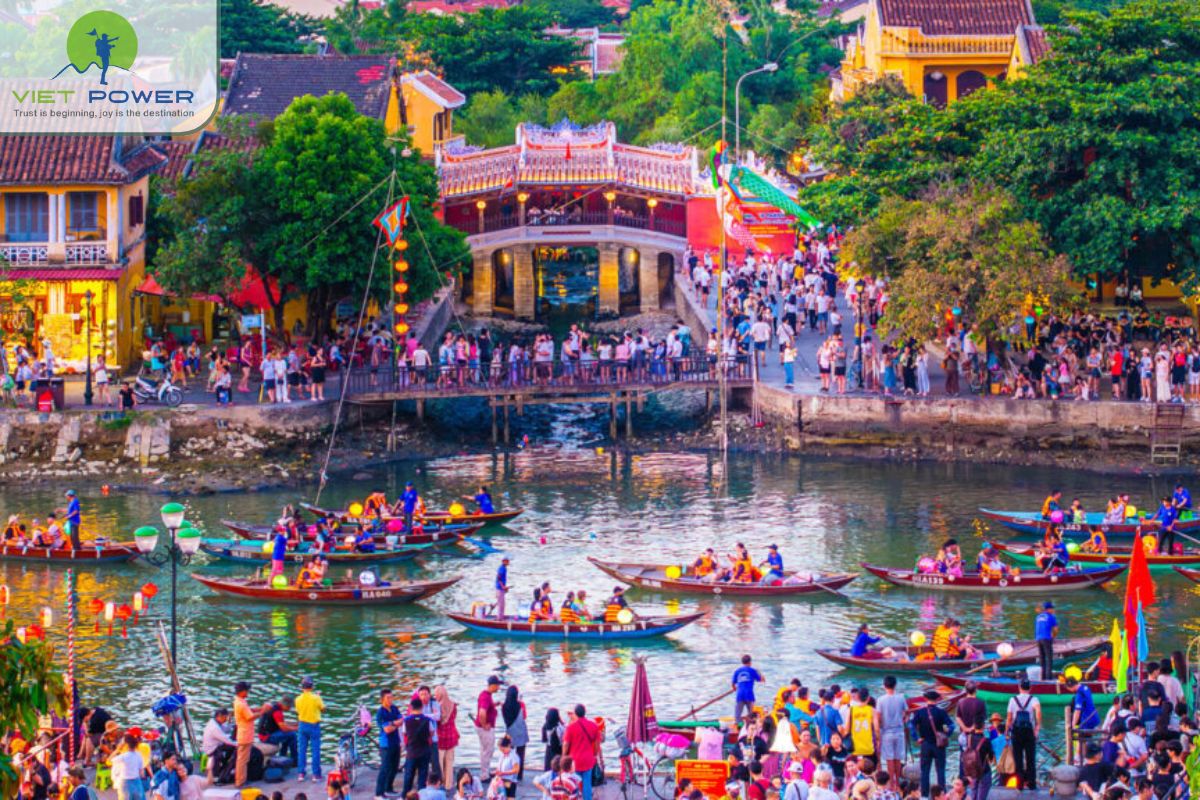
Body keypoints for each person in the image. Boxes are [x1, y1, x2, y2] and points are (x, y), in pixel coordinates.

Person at [913, 690, 951, 798]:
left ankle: (924, 796)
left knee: (925, 772)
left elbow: (911, 725)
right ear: (937, 699)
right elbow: (951, 726)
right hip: (939, 746)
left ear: (926, 699)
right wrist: (946, 735)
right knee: (940, 771)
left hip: (925, 744)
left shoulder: (920, 712)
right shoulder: (941, 712)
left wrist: (917, 738)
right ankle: (941, 795)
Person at [1005, 678, 1041, 790]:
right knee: (1030, 759)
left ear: (1019, 687)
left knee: (1018, 759)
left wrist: (1007, 731)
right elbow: (1038, 712)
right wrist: (1037, 728)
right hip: (1029, 731)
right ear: (1030, 688)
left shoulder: (1012, 699)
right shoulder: (1034, 699)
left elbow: (1009, 718)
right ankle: (1032, 784)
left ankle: (1019, 785)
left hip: (1016, 731)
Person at [562, 705, 600, 800]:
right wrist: (594, 755)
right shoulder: (594, 726)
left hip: (574, 760)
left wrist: (564, 756)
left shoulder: (571, 727)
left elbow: (566, 744)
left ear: (575, 713)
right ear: (585, 712)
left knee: (575, 783)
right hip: (588, 759)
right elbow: (597, 744)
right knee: (587, 783)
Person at [876, 677, 907, 789]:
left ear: (884, 686)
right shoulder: (901, 698)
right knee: (898, 759)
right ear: (895, 685)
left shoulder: (880, 700)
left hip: (886, 732)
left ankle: (892, 784)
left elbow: (878, 716)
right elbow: (905, 713)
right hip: (899, 731)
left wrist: (878, 730)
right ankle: (898, 783)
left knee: (889, 759)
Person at [232, 682, 265, 788]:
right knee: (242, 759)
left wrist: (258, 709)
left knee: (244, 759)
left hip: (245, 734)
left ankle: (242, 779)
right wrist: (262, 712)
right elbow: (249, 717)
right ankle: (240, 781)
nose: (248, 692)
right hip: (244, 735)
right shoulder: (241, 704)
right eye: (246, 690)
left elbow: (249, 711)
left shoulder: (240, 701)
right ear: (242, 692)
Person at [295, 676, 325, 783]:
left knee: (302, 750)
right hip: (314, 726)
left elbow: (298, 711)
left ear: (302, 687)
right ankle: (316, 775)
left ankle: (301, 773)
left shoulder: (297, 699)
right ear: (311, 687)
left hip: (302, 725)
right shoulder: (316, 698)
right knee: (315, 750)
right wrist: (318, 697)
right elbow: (323, 709)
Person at [403, 697, 435, 794]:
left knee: (409, 776)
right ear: (422, 707)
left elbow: (405, 733)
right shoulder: (427, 720)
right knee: (422, 776)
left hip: (411, 752)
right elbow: (432, 732)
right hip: (424, 751)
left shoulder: (406, 721)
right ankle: (421, 795)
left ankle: (405, 795)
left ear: (411, 707)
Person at [376, 689, 403, 800]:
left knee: (395, 766)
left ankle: (388, 788)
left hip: (396, 742)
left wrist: (393, 724)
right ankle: (378, 793)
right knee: (385, 768)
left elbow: (402, 720)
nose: (390, 700)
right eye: (388, 698)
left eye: (392, 697)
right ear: (382, 699)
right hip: (386, 744)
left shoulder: (394, 708)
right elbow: (387, 729)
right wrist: (395, 723)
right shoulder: (380, 712)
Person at [476, 676, 502, 780]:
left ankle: (485, 770)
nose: (498, 688)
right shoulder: (486, 697)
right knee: (488, 750)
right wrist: (484, 725)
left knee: (485, 750)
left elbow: (486, 708)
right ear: (492, 685)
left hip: (482, 727)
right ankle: (484, 775)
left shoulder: (486, 695)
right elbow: (482, 712)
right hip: (485, 728)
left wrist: (494, 705)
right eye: (497, 685)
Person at [501, 686, 529, 781]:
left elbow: (505, 720)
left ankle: (509, 771)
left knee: (509, 754)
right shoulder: (520, 704)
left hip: (510, 732)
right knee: (520, 753)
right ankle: (519, 774)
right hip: (521, 731)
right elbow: (524, 716)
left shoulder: (504, 706)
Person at [436, 686, 460, 787]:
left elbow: (437, 721)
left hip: (440, 737)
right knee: (449, 762)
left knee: (440, 762)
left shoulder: (437, 707)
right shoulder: (453, 705)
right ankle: (448, 784)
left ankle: (440, 783)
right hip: (451, 736)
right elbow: (454, 718)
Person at [732, 655, 765, 721]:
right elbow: (762, 680)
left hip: (740, 695)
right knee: (751, 715)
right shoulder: (752, 671)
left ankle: (737, 723)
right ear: (750, 662)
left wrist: (735, 689)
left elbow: (733, 684)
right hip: (749, 695)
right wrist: (760, 673)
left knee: (737, 715)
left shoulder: (737, 671)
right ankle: (750, 724)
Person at [1034, 601, 1057, 681]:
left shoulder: (1038, 617)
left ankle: (1042, 678)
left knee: (1042, 660)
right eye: (1052, 608)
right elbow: (1055, 629)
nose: (1053, 610)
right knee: (1049, 659)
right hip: (1046, 639)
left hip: (1038, 639)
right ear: (1048, 609)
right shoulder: (1051, 617)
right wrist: (1053, 637)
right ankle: (1048, 679)